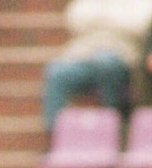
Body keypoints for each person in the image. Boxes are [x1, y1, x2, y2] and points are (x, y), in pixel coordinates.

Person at [41, 0, 152, 131]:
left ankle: (113, 124)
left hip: (121, 54)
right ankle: (55, 133)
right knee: (56, 71)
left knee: (106, 63)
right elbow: (75, 20)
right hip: (84, 54)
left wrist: (100, 21)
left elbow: (139, 25)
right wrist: (115, 20)